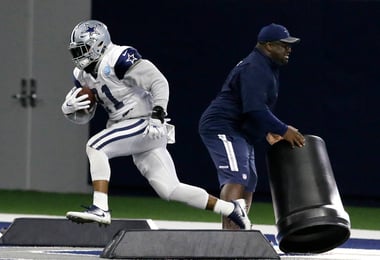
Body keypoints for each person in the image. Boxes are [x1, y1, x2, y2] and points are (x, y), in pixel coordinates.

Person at [61, 20, 251, 229]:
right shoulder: (82, 75)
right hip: (127, 127)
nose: (79, 56)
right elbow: (85, 114)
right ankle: (232, 209)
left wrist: (158, 113)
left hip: (144, 122)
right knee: (170, 189)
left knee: (95, 146)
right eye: (76, 50)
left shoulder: (117, 59)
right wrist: (70, 110)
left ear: (98, 44)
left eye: (83, 49)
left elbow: (158, 81)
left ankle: (100, 208)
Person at [198, 23, 306, 229]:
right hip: (222, 126)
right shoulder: (255, 67)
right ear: (267, 46)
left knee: (249, 180)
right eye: (284, 45)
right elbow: (255, 109)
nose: (289, 49)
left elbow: (253, 107)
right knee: (236, 176)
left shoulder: (266, 66)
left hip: (240, 129)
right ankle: (230, 237)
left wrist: (268, 129)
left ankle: (239, 230)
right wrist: (283, 129)